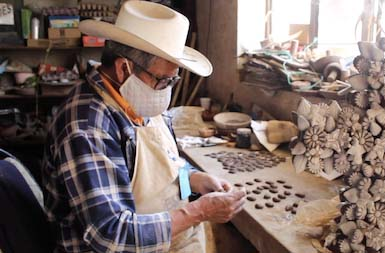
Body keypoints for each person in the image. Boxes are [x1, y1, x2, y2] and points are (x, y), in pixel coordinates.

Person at [41, 2, 246, 252]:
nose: (167, 89)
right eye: (163, 80)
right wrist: (198, 211)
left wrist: (192, 179)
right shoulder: (86, 125)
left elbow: (161, 171)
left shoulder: (139, 99)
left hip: (169, 240)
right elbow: (110, 234)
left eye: (174, 79)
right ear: (123, 68)